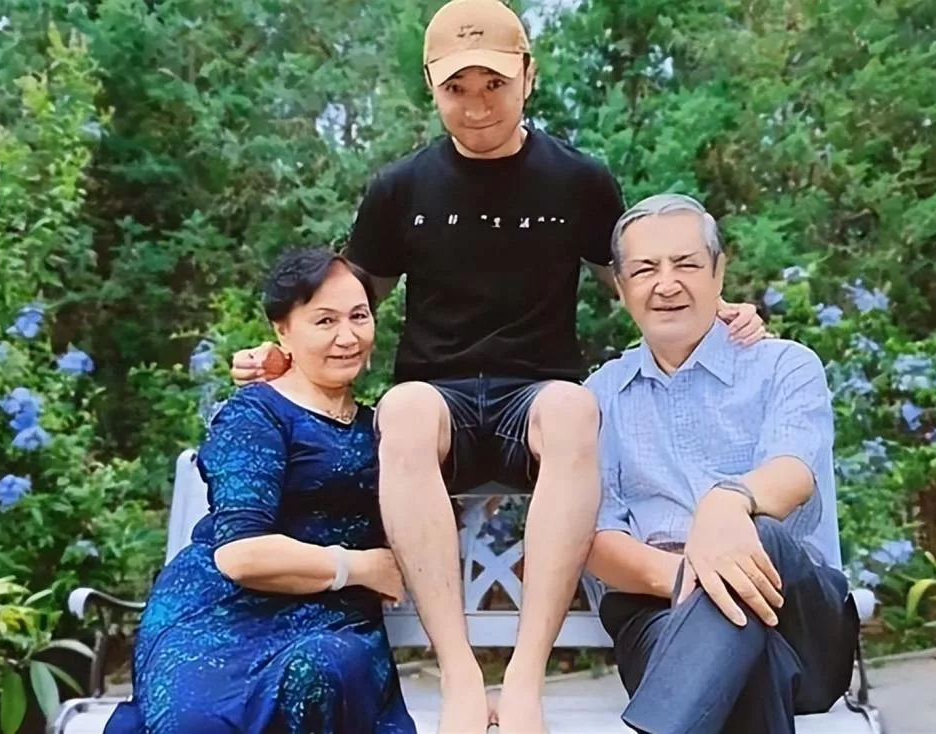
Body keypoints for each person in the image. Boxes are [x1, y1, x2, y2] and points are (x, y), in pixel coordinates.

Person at [230, 2, 766, 731]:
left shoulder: (578, 181)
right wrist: (287, 354)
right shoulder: (400, 188)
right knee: (405, 409)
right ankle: (459, 677)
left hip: (535, 401)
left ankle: (522, 682)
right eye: (457, 87)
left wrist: (719, 308)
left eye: (494, 84)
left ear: (528, 77)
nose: (477, 104)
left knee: (575, 407)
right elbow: (348, 300)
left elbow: (637, 283)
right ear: (431, 85)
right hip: (437, 402)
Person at [105, 249, 416, 734]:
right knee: (199, 721)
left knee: (319, 672)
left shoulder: (385, 426)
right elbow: (241, 555)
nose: (347, 337)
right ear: (282, 330)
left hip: (331, 622)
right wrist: (359, 566)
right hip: (221, 612)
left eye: (359, 316)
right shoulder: (257, 415)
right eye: (325, 321)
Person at [584, 193, 859, 734]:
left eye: (686, 264)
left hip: (798, 618)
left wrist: (726, 504)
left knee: (761, 536)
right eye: (645, 269)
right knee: (746, 657)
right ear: (620, 286)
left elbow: (793, 472)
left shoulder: (784, 366)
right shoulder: (598, 397)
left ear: (718, 272)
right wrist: (700, 575)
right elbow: (596, 540)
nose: (666, 284)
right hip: (661, 620)